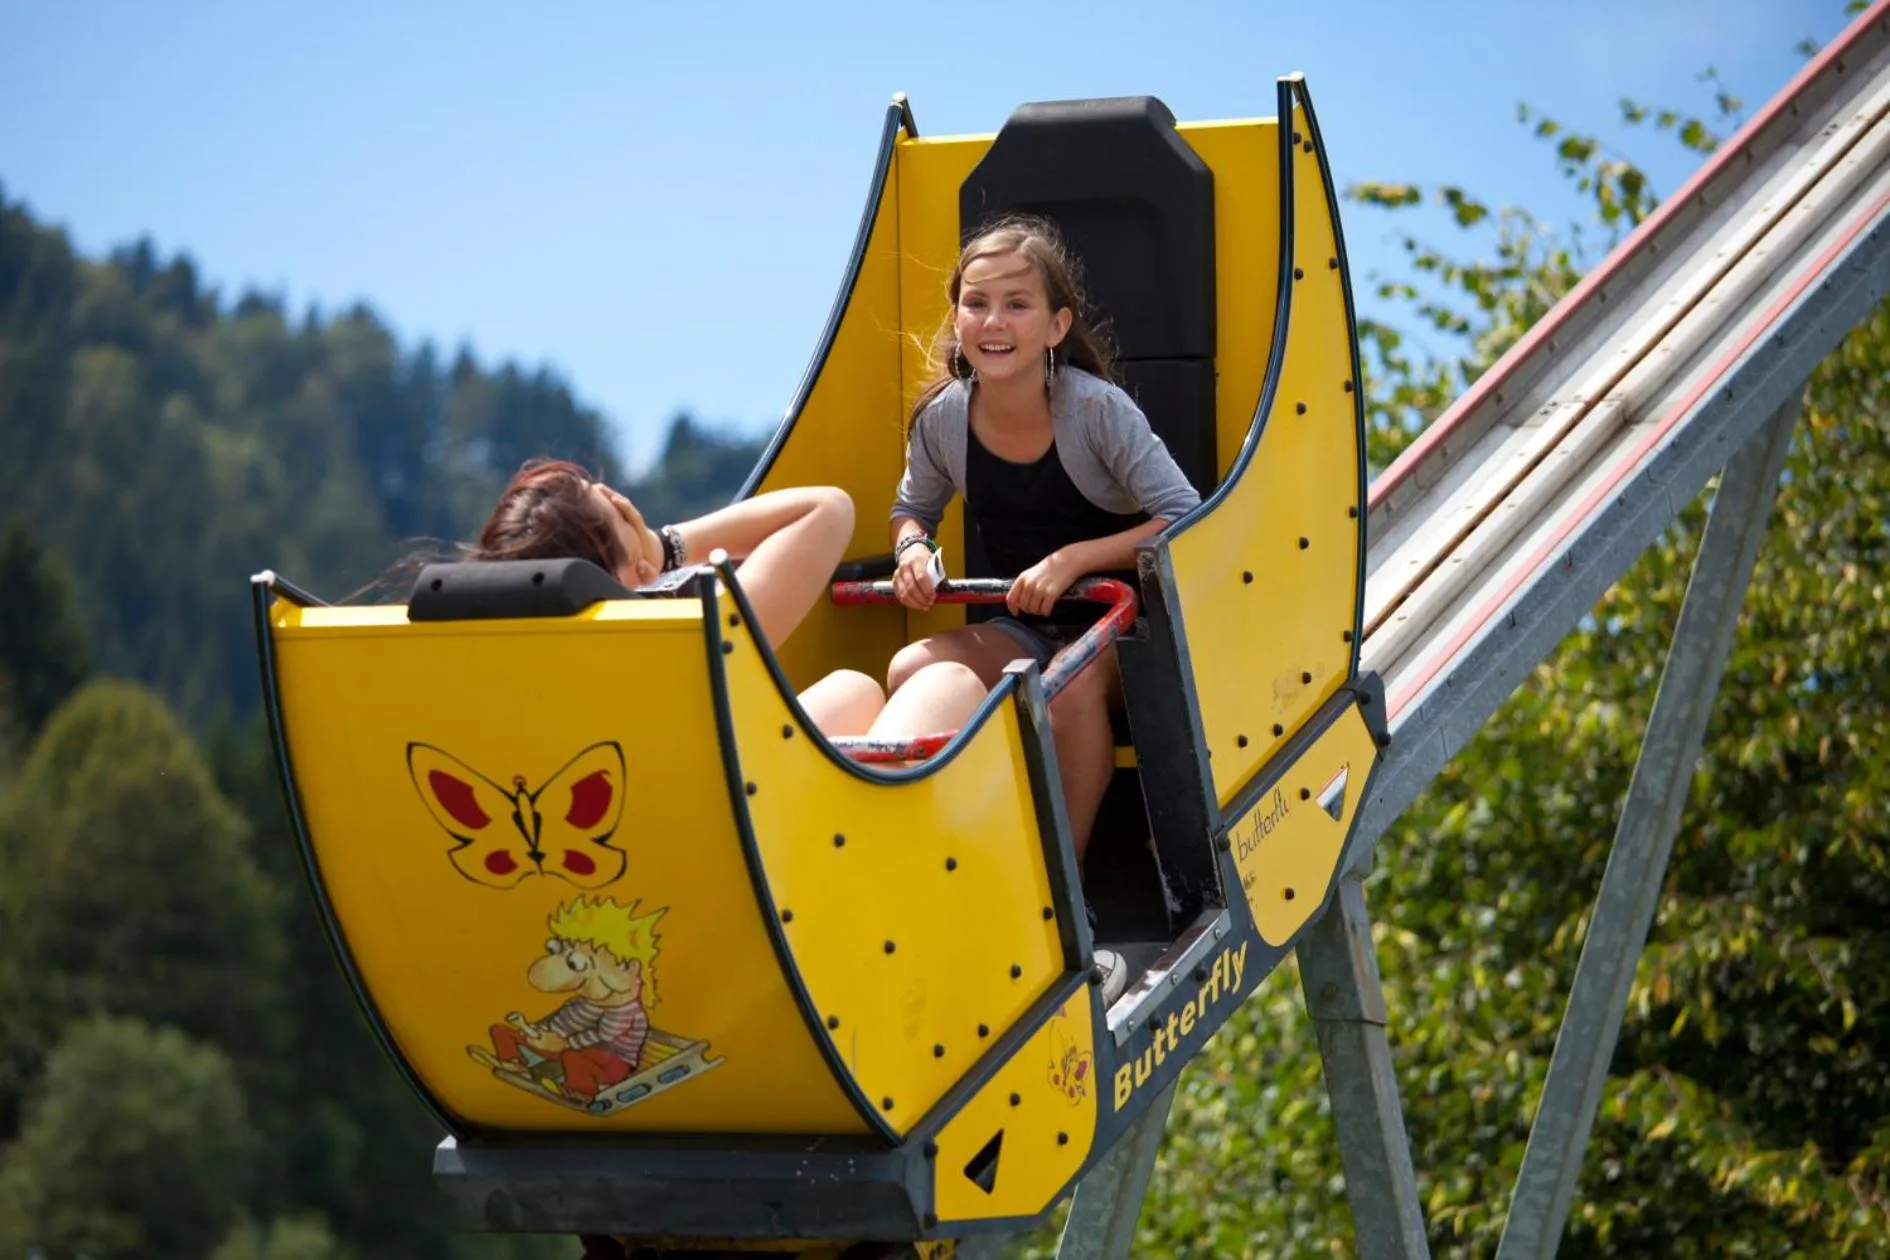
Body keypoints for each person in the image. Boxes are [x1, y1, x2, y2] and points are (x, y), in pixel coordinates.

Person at [886, 214, 1202, 937]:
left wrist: (1075, 560)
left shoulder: (1096, 412)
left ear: (1056, 327)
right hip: (1027, 624)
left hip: (1129, 631)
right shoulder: (943, 421)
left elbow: (1184, 515)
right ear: (957, 317)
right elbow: (913, 508)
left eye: (1017, 304)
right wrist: (911, 551)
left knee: (1068, 685)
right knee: (912, 667)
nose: (993, 321)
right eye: (976, 303)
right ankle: (952, 865)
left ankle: (1062, 898)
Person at [469, 460, 988, 741]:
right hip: (756, 850)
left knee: (853, 690)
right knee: (949, 683)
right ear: (625, 576)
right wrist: (667, 547)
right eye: (620, 517)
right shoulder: (685, 645)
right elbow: (827, 510)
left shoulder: (500, 679)